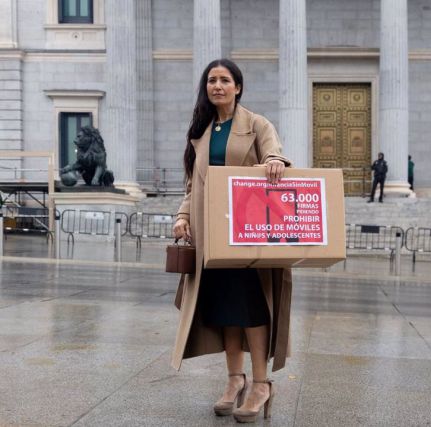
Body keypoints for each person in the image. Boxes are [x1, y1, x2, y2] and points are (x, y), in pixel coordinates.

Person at [171, 59, 291, 424]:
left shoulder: (256, 124)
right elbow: (193, 185)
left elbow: (276, 153)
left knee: (253, 308)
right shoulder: (202, 131)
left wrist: (274, 161)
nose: (217, 86)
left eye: (225, 80)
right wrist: (182, 216)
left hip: (249, 235)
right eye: (212, 80)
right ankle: (233, 379)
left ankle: (260, 383)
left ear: (238, 87)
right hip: (213, 237)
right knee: (225, 309)